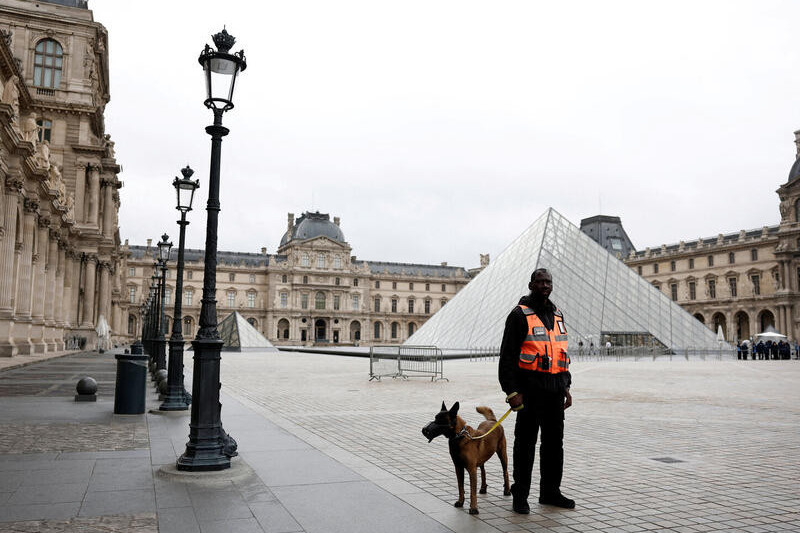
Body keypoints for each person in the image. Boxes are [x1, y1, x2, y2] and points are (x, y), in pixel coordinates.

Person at [498, 268, 574, 514]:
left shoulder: (558, 313)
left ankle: (550, 492)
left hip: (554, 391)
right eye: (540, 281)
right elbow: (507, 357)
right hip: (529, 393)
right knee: (525, 446)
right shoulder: (519, 315)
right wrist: (512, 392)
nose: (544, 285)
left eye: (548, 282)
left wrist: (567, 386)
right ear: (531, 284)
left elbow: (561, 353)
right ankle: (520, 495)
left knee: (554, 445)